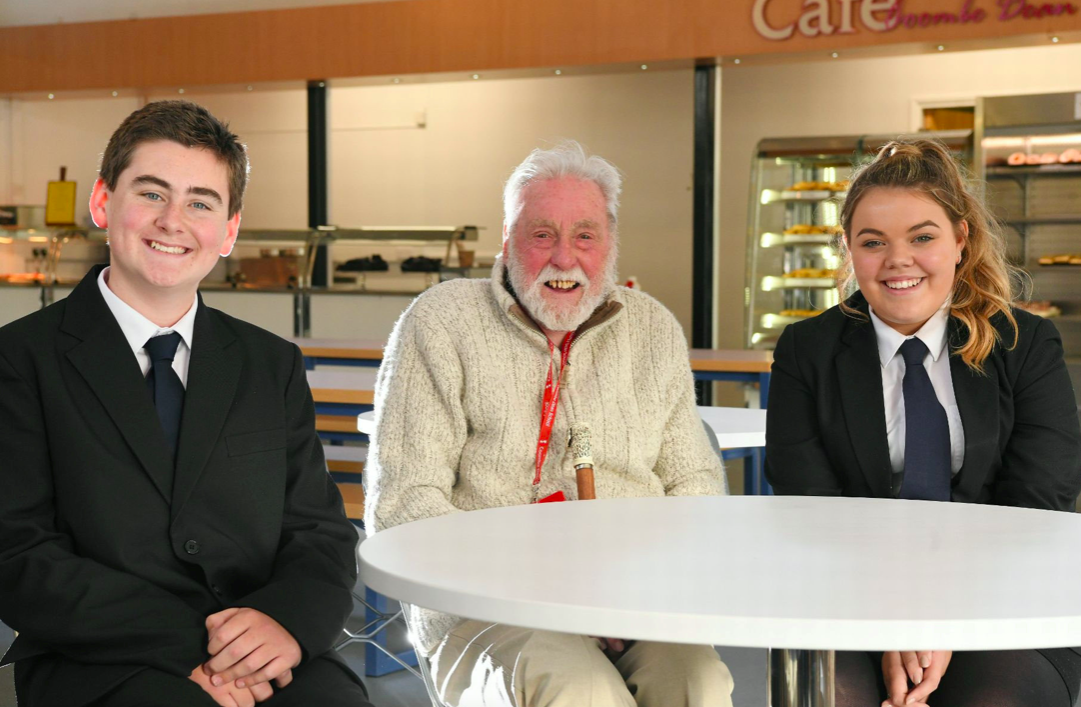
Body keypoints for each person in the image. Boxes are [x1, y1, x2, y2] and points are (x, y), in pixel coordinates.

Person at [0, 101, 373, 707]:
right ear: (103, 203)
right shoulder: (19, 361)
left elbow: (316, 530)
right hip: (100, 658)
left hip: (265, 643)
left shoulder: (270, 365)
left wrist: (286, 625)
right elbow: (16, 550)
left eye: (201, 202)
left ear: (227, 231)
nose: (173, 220)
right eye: (151, 193)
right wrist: (197, 649)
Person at [365, 141, 734, 707]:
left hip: (635, 603)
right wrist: (552, 591)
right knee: (578, 688)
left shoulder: (652, 328)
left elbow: (695, 485)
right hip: (485, 608)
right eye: (542, 235)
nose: (565, 258)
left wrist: (643, 588)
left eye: (584, 235)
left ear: (610, 244)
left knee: (700, 682)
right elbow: (404, 503)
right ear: (508, 241)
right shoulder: (441, 321)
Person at [765, 138, 1081, 707]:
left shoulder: (1026, 345)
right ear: (848, 249)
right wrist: (895, 620)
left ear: (961, 239)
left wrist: (940, 618)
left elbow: (1037, 507)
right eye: (872, 242)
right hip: (851, 599)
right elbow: (808, 513)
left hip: (1006, 596)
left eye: (922, 237)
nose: (897, 260)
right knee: (831, 697)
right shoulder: (806, 350)